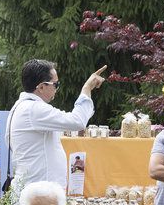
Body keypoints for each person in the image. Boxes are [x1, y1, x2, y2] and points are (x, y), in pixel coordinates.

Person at [6, 59, 106, 190]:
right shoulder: (34, 109)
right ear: (41, 87)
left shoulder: (22, 107)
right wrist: (86, 89)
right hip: (40, 193)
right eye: (55, 84)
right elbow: (77, 121)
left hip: (35, 188)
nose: (57, 88)